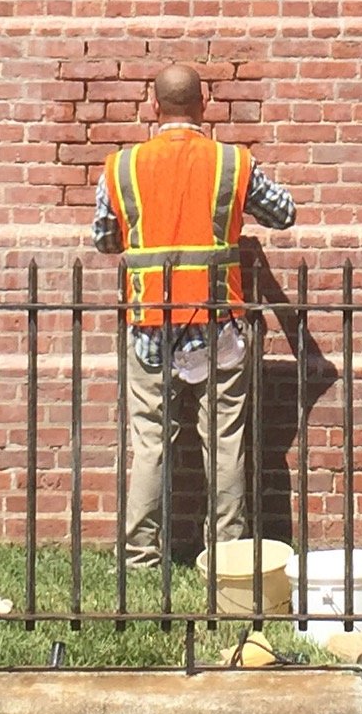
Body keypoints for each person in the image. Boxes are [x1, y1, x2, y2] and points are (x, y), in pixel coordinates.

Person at [93, 67, 294, 573]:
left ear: (154, 107)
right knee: (224, 439)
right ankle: (227, 554)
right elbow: (283, 213)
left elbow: (104, 238)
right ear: (203, 106)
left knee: (151, 441)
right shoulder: (230, 162)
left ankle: (140, 558)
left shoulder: (122, 167)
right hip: (218, 323)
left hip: (148, 322)